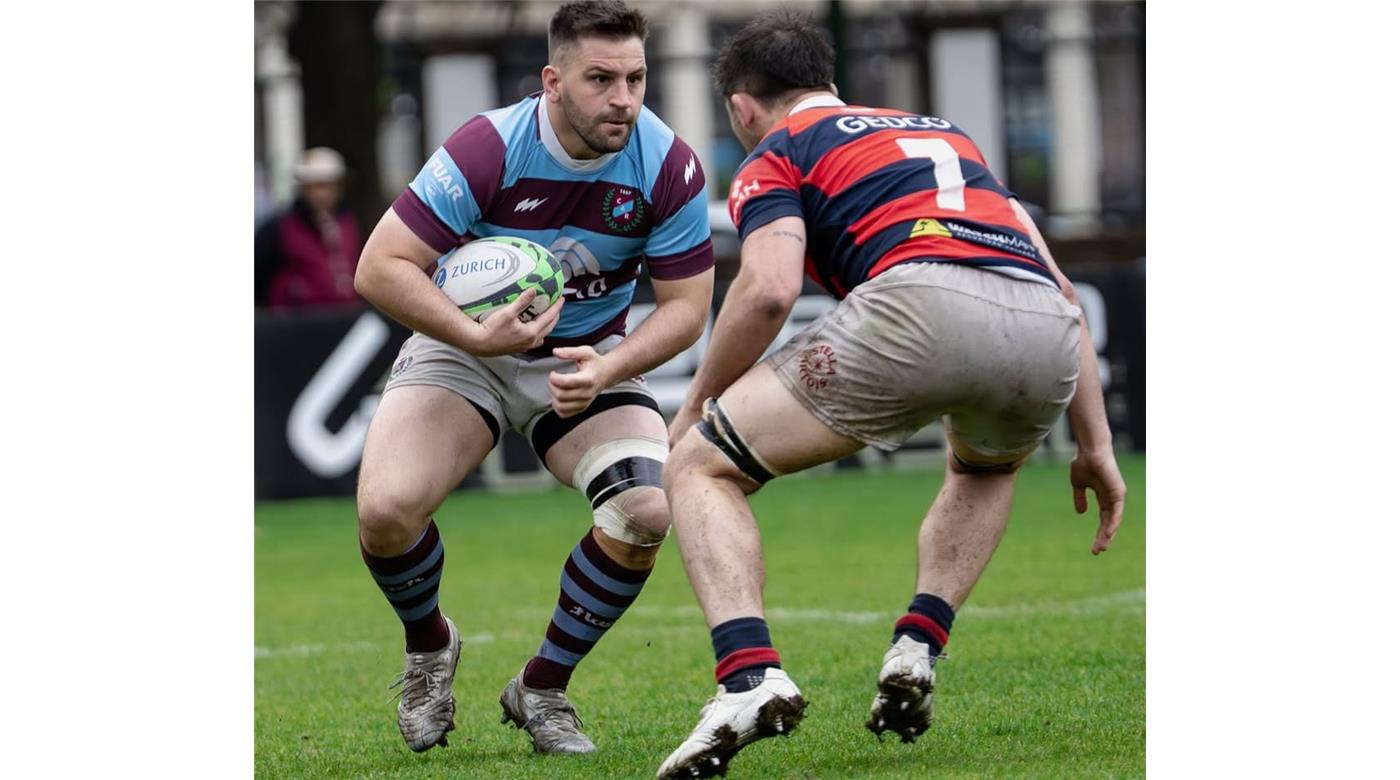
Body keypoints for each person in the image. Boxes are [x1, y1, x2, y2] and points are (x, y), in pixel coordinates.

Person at [655, 11, 1126, 778]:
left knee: (702, 468)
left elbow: (769, 290)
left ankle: (747, 677)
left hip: (917, 302)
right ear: (831, 85)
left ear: (741, 108)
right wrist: (1097, 447)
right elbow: (1062, 286)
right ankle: (917, 646)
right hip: (1044, 324)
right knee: (984, 467)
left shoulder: (778, 149)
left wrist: (700, 401)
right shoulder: (945, 133)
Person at [352, 0, 714, 758]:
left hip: (585, 359)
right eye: (601, 79)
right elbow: (379, 267)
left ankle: (542, 687)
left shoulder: (670, 164)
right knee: (386, 511)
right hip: (465, 351)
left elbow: (686, 311)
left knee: (647, 510)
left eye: (637, 78)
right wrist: (474, 333)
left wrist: (611, 366)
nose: (624, 97)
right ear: (553, 81)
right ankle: (430, 650)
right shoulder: (487, 147)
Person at [254, 147, 364, 308]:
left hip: (346, 317)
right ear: (304, 187)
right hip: (297, 322)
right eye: (317, 186)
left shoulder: (349, 223)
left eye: (330, 185)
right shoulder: (280, 226)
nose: (324, 193)